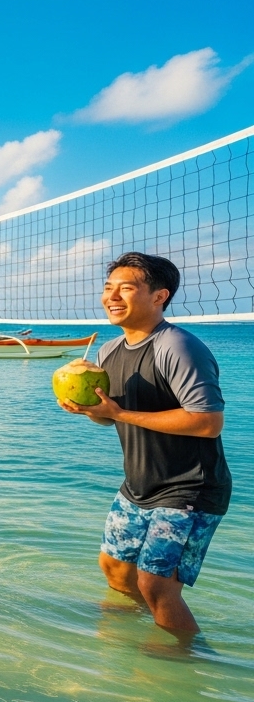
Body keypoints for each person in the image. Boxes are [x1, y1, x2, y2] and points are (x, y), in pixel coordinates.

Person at [60, 252, 230, 639]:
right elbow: (109, 416)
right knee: (115, 568)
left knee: (157, 583)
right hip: (139, 486)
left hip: (191, 487)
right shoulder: (107, 353)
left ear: (159, 296)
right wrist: (88, 410)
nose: (112, 296)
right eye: (108, 288)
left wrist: (119, 414)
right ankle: (140, 637)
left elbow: (207, 423)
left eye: (126, 288)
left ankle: (183, 664)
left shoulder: (178, 347)